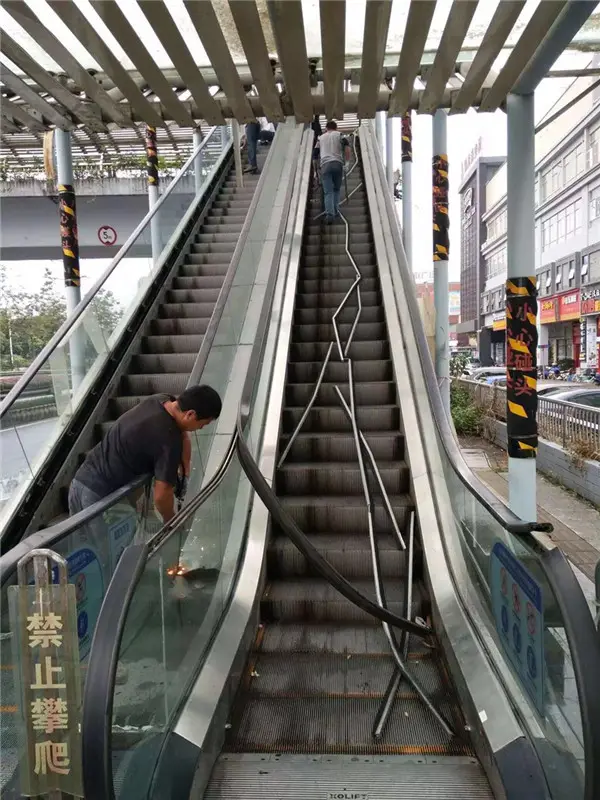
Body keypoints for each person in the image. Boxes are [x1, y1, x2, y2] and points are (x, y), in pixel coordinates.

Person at [69, 385, 222, 524]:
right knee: (102, 546)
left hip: (81, 480)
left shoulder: (162, 400)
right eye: (204, 423)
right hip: (101, 499)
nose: (201, 428)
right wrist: (171, 520)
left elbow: (183, 433)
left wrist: (185, 469)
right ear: (190, 414)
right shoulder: (168, 439)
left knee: (78, 542)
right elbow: (162, 496)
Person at [315, 120, 351, 224]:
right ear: (336, 127)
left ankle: (329, 214)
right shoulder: (340, 135)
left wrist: (315, 170)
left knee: (328, 191)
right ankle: (336, 211)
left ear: (326, 128)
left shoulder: (320, 138)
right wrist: (347, 163)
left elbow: (315, 154)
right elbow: (347, 148)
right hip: (337, 164)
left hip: (325, 165)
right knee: (336, 189)